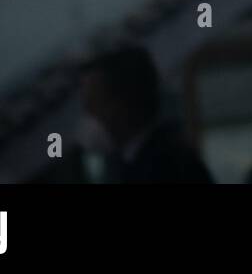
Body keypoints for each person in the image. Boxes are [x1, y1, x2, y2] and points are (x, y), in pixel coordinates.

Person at [78, 45, 213, 184]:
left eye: (92, 107)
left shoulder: (164, 168)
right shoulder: (148, 160)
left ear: (120, 105)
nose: (88, 118)